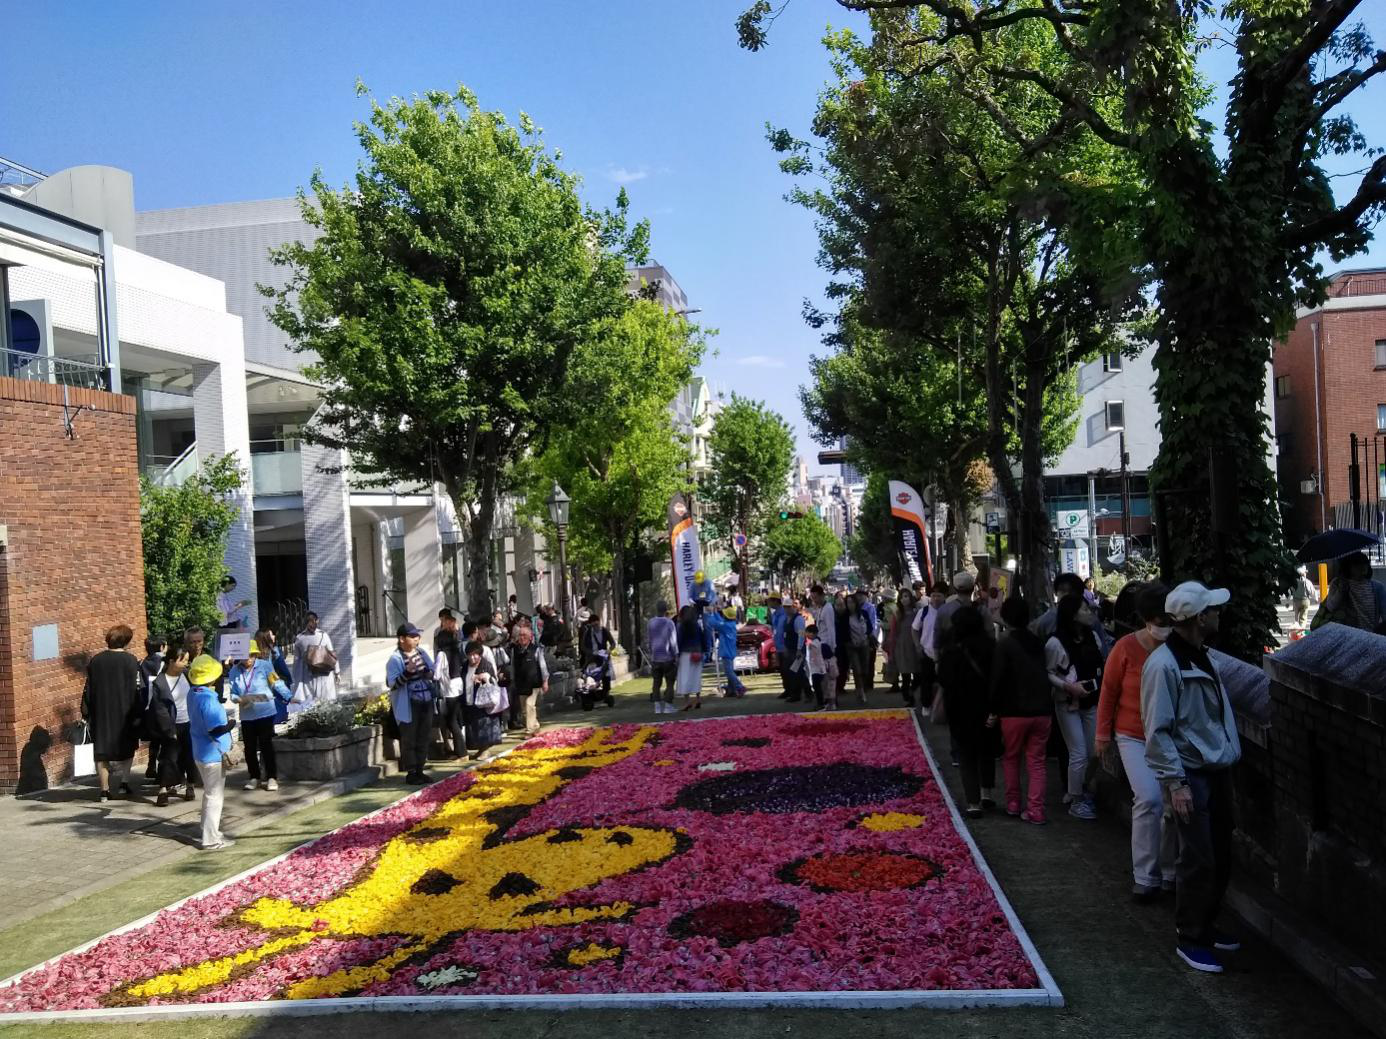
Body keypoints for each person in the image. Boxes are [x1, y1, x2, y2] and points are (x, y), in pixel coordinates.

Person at [1142, 581, 1243, 974]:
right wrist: (1176, 782)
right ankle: (1191, 935)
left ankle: (1206, 924)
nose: (1218, 614)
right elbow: (1158, 731)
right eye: (1213, 610)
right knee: (1198, 857)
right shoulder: (1165, 665)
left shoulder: (1201, 656)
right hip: (1192, 773)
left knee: (1218, 851)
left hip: (1215, 768)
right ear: (1200, 618)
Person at [1095, 582, 1177, 901]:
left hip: (1169, 736)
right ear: (1146, 619)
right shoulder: (1125, 648)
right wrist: (1102, 735)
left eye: (1169, 621)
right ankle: (1145, 874)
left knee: (1172, 805)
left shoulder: (1180, 648)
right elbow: (1109, 692)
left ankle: (1169, 871)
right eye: (1159, 621)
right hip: (1131, 735)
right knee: (1149, 799)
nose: (1164, 628)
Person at [988, 597, 1054, 825]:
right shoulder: (1038, 642)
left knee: (1011, 758)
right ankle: (1036, 810)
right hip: (1042, 710)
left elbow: (997, 679)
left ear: (1005, 617)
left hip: (1013, 711)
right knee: (1036, 762)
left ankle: (1013, 804)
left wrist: (993, 710)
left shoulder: (1004, 643)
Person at [1045, 595, 1105, 820]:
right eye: (1085, 609)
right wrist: (1067, 687)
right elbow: (1049, 672)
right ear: (1072, 614)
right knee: (1078, 752)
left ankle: (1077, 790)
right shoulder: (1055, 643)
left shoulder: (1094, 638)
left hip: (1091, 700)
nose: (1090, 613)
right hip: (1067, 703)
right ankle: (1077, 799)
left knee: (1092, 752)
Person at [938, 607, 1001, 816]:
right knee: (986, 751)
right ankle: (987, 794)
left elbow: (944, 680)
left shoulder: (950, 651)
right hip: (986, 707)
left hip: (959, 708)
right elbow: (997, 679)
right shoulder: (991, 647)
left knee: (966, 755)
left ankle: (973, 803)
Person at [81, 624, 144, 802]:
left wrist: (86, 712)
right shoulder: (131, 661)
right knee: (128, 746)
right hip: (125, 711)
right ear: (126, 641)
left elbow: (88, 689)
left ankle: (104, 790)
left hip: (101, 712)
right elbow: (138, 688)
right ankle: (124, 782)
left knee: (101, 751)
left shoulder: (96, 661)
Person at [228, 639, 291, 792]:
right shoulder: (234, 671)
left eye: (251, 655)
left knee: (266, 745)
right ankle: (253, 777)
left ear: (255, 654)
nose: (248, 658)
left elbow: (276, 683)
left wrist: (288, 696)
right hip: (247, 714)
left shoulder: (265, 666)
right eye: (245, 655)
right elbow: (233, 693)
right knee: (249, 748)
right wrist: (238, 699)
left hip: (265, 712)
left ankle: (271, 777)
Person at [187, 655, 236, 850]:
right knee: (214, 796)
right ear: (213, 678)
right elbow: (215, 729)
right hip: (213, 754)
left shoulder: (193, 693)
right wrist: (231, 724)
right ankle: (211, 839)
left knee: (209, 794)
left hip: (199, 751)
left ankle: (210, 830)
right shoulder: (209, 700)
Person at [386, 623, 437, 786]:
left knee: (423, 736)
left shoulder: (421, 652)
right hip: (409, 704)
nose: (417, 639)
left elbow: (432, 672)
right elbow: (392, 684)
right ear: (402, 639)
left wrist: (427, 672)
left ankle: (420, 770)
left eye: (417, 636)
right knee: (409, 738)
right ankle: (411, 772)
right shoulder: (395, 658)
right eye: (413, 636)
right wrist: (407, 672)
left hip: (426, 700)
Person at [146, 646, 190, 807]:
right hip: (171, 725)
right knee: (168, 758)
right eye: (183, 660)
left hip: (188, 722)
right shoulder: (160, 682)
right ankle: (163, 790)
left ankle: (188, 785)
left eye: (187, 660)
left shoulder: (187, 676)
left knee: (187, 756)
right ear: (172, 661)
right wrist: (169, 730)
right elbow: (159, 709)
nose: (186, 663)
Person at [1311, 551, 1386, 633]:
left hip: (1371, 635)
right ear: (1348, 567)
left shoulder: (1378, 587)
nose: (1363, 567)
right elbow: (1331, 607)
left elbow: (1384, 613)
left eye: (1365, 563)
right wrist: (1341, 590)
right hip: (1349, 634)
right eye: (1357, 564)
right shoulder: (1338, 583)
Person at [461, 639, 505, 760]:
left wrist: (482, 677)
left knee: (483, 724)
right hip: (469, 699)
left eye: (475, 654)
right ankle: (480, 749)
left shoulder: (485, 664)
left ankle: (486, 750)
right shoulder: (465, 665)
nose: (473, 657)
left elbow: (492, 678)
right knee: (473, 726)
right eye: (470, 654)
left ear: (480, 654)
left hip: (483, 701)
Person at [885, 589, 925, 708]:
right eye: (902, 597)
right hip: (901, 647)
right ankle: (907, 699)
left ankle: (912, 691)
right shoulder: (897, 614)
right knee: (905, 675)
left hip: (915, 645)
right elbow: (893, 633)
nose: (904, 599)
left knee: (918, 675)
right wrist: (891, 650)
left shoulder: (917, 612)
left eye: (906, 596)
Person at [507, 623, 549, 734]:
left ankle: (529, 731)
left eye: (525, 635)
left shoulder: (536, 649)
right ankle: (535, 726)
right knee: (525, 710)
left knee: (530, 705)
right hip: (521, 683)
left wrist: (545, 681)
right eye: (520, 635)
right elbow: (512, 666)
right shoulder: (514, 650)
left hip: (534, 683)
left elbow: (542, 666)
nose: (522, 637)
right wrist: (512, 679)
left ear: (530, 637)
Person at [432, 628, 467, 758]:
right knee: (456, 719)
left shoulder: (442, 654)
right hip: (458, 687)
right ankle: (460, 750)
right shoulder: (456, 650)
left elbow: (436, 674)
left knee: (451, 721)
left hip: (449, 689)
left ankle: (462, 751)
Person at [292, 612, 338, 706]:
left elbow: (297, 662)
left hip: (309, 674)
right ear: (317, 621)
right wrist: (337, 671)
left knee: (311, 701)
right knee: (326, 702)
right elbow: (332, 653)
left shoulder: (300, 638)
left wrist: (297, 678)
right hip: (324, 672)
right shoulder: (323, 635)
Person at [139, 636, 167, 781]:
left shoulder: (144, 662)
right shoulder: (163, 662)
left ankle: (151, 765)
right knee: (165, 737)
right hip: (161, 702)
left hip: (147, 705)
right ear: (161, 647)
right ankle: (162, 771)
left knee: (155, 738)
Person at [579, 612, 617, 710]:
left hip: (603, 657)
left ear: (599, 622)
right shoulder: (588, 633)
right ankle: (590, 692)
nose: (595, 627)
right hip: (592, 658)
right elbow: (583, 646)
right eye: (593, 625)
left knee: (605, 675)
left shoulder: (604, 631)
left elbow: (612, 643)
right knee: (590, 675)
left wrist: (609, 650)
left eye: (597, 624)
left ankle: (606, 693)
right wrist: (590, 652)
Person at [647, 601, 679, 714]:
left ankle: (657, 706)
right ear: (666, 610)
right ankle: (668, 706)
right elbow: (673, 641)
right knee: (670, 682)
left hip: (655, 657)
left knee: (656, 682)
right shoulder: (669, 623)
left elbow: (649, 640)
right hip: (667, 657)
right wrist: (676, 654)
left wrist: (651, 653)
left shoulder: (650, 623)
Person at [710, 607, 747, 698]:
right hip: (730, 651)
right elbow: (719, 621)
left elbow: (713, 623)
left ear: (726, 616)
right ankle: (731, 690)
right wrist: (715, 612)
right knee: (730, 671)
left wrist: (710, 613)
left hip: (726, 652)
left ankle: (740, 687)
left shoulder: (725, 626)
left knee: (729, 672)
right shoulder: (730, 624)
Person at [846, 590, 875, 703]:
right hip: (852, 646)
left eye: (852, 602)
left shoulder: (863, 613)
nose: (850, 605)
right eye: (848, 603)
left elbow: (870, 627)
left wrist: (869, 637)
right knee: (857, 669)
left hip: (864, 644)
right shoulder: (846, 617)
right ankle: (860, 690)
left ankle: (863, 686)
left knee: (865, 669)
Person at [675, 605, 705, 710]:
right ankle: (698, 699)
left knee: (685, 677)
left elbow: (679, 640)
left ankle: (687, 701)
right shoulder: (697, 625)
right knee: (696, 677)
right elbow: (703, 638)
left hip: (686, 653)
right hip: (697, 652)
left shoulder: (681, 626)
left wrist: (677, 654)